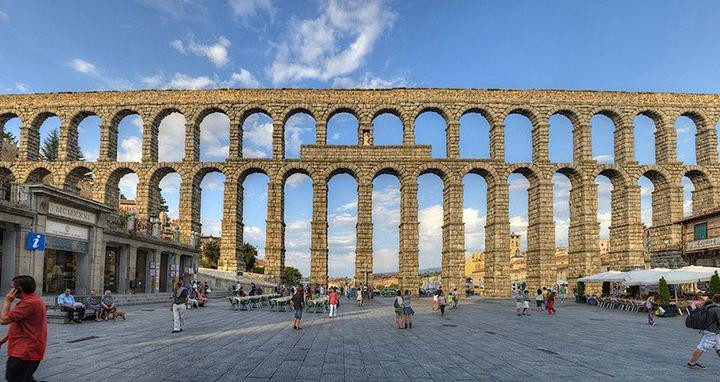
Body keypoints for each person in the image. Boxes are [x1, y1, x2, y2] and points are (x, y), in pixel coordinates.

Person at [0, 275, 47, 382]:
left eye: (12, 287)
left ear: (19, 289)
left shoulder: (29, 303)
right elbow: (23, 324)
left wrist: (7, 301)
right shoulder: (33, 300)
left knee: (14, 378)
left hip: (25, 351)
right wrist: (5, 339)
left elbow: (3, 320)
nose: (10, 290)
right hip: (27, 349)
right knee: (23, 378)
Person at [687, 294, 720, 369]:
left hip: (707, 329)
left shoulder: (708, 306)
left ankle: (692, 362)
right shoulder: (716, 309)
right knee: (702, 347)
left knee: (718, 346)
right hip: (712, 331)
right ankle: (692, 362)